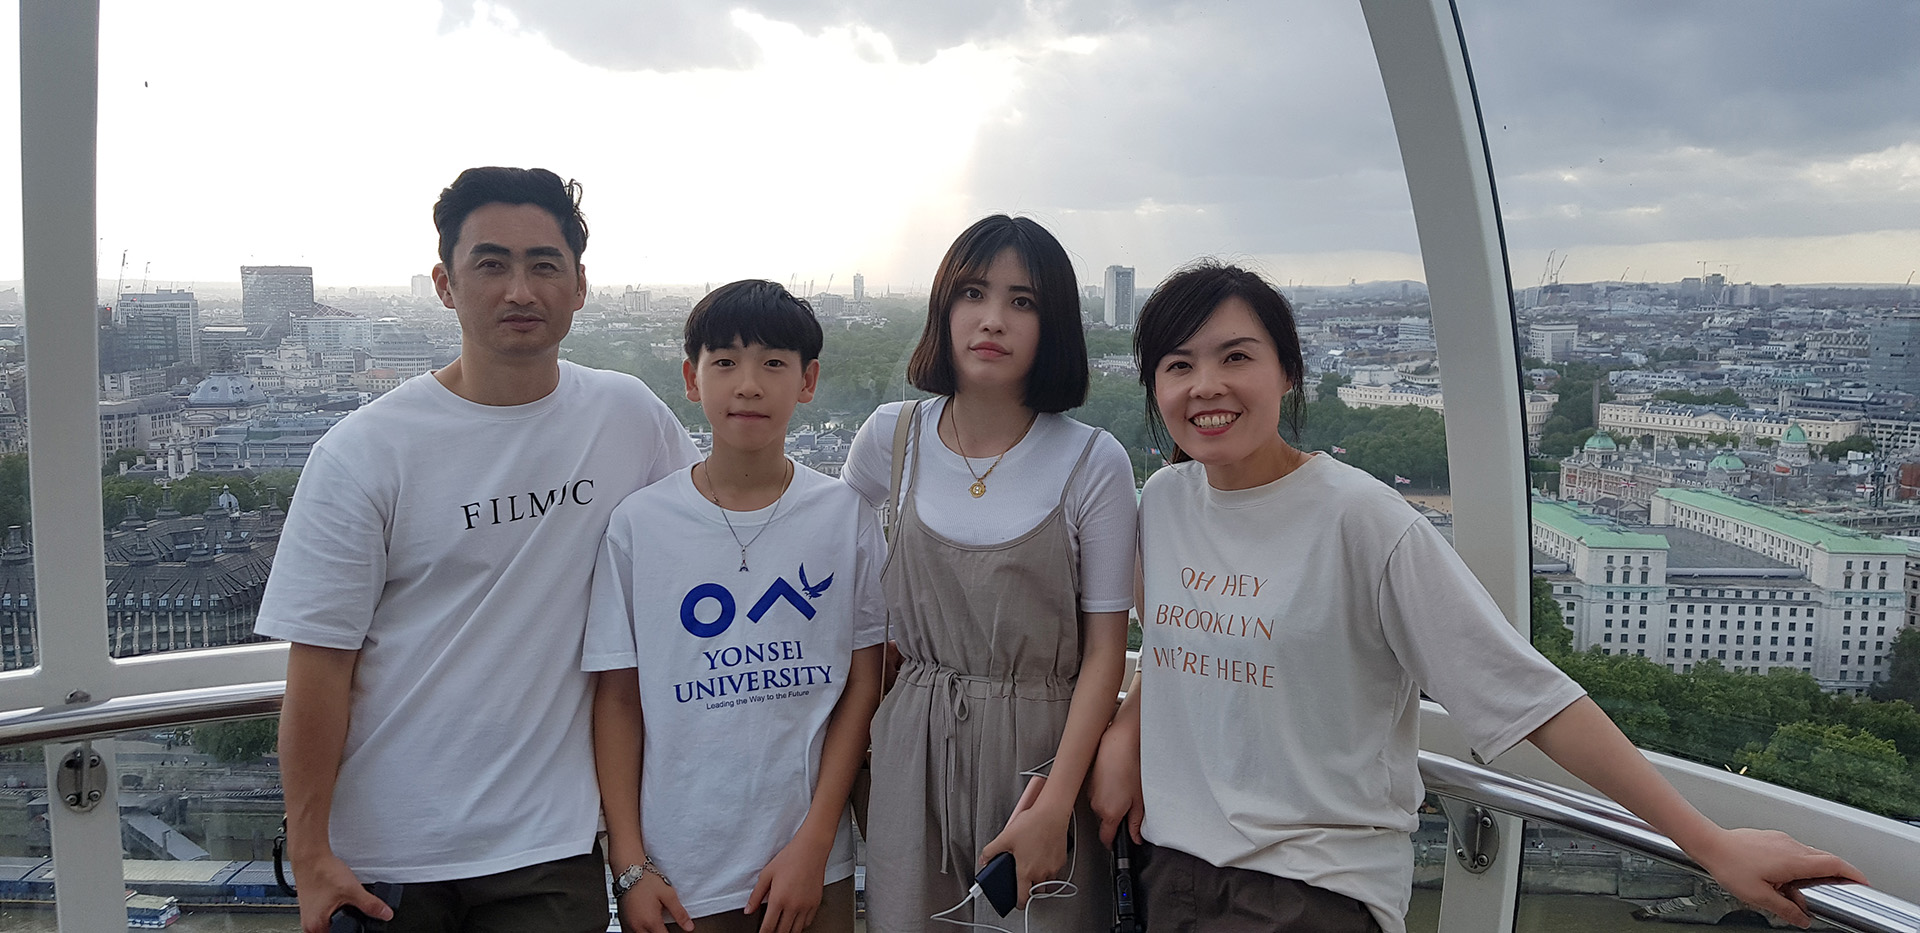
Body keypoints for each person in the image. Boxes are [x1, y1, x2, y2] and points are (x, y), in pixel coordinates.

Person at [1088, 261, 1867, 933]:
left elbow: (1527, 695)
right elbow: (1182, 643)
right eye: (1179, 364)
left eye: (1236, 356)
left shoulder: (1363, 520)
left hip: (1306, 887)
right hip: (1168, 867)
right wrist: (1128, 728)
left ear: (1289, 372)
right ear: (1154, 384)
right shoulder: (1164, 502)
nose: (1207, 386)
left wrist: (1709, 842)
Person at [259, 166, 698, 933]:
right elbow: (319, 668)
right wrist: (310, 852)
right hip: (386, 856)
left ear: (580, 285)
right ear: (445, 284)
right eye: (491, 264)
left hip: (549, 844)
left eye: (544, 265)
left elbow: (705, 542)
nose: (520, 290)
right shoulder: (364, 451)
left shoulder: (629, 417)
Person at [842, 215, 1137, 931]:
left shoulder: (1092, 460)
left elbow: (1105, 653)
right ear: (943, 307)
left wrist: (1056, 804)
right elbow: (836, 569)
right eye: (972, 293)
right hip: (914, 746)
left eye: (1022, 301)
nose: (993, 319)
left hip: (1043, 752)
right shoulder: (891, 437)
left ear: (1053, 323)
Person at [585, 280, 885, 933]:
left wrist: (816, 843)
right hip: (677, 870)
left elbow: (863, 685)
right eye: (724, 362)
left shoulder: (845, 518)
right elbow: (618, 699)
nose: (748, 385)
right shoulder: (640, 526)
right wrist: (629, 861)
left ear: (807, 381)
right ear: (691, 380)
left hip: (808, 865)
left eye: (773, 363)